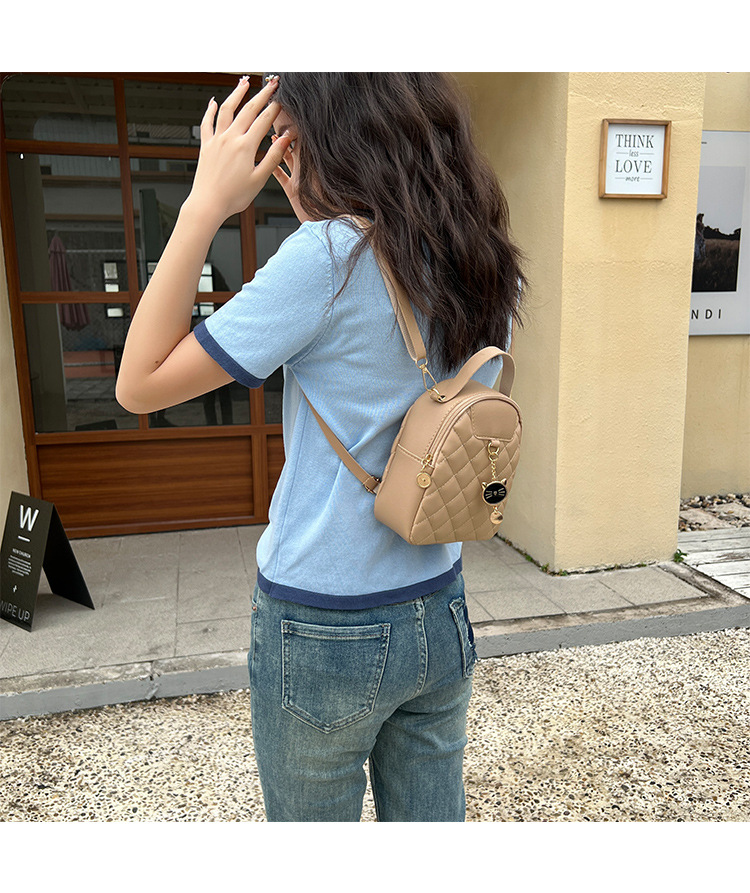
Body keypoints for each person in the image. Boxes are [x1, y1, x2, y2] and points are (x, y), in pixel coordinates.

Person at [116, 72, 526, 822]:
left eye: (289, 139)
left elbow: (138, 383)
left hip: (323, 622)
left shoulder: (329, 257)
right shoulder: (477, 247)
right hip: (439, 598)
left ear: (323, 138)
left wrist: (205, 204)